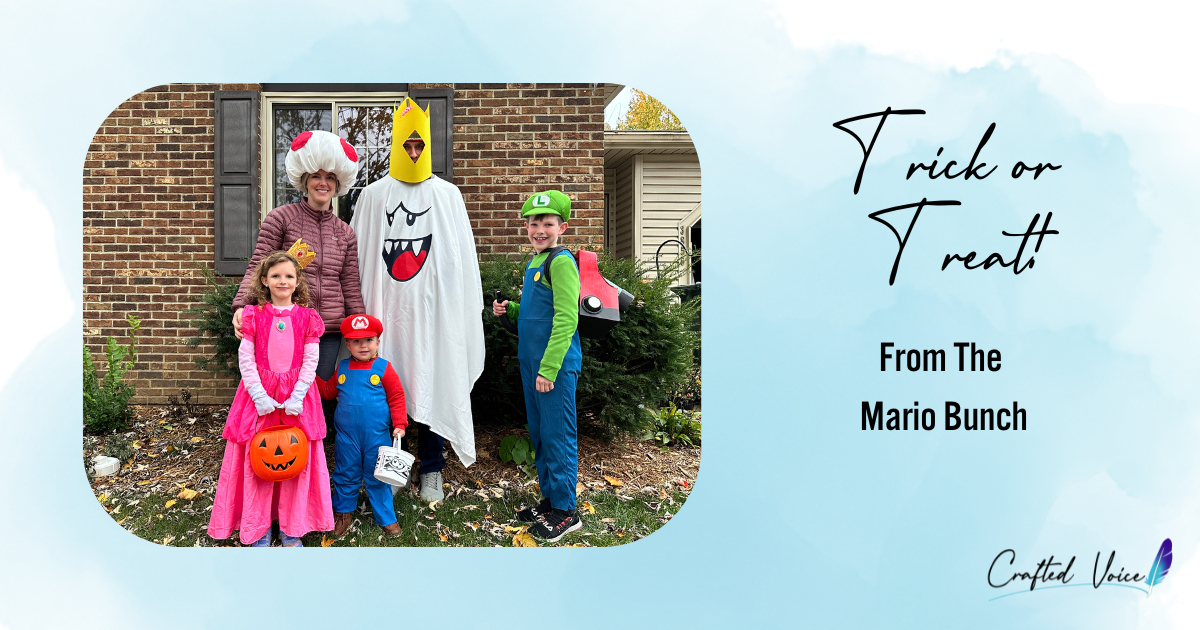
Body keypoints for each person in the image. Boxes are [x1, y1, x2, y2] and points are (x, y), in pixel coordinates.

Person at [351, 98, 484, 502]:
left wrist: (454, 311)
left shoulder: (448, 196)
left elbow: (460, 262)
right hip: (385, 314)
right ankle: (392, 471)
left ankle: (432, 470)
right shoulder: (373, 197)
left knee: (432, 382)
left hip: (432, 318)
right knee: (386, 392)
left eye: (419, 145)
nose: (412, 152)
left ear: (427, 146)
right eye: (405, 145)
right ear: (395, 146)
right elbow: (358, 258)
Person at [231, 129, 365, 442]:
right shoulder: (281, 218)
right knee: (276, 389)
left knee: (313, 396)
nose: (323, 183)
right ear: (304, 180)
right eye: (316, 176)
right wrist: (242, 306)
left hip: (325, 330)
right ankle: (274, 459)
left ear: (338, 184)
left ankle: (309, 462)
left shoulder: (345, 233)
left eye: (330, 177)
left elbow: (350, 283)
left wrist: (360, 327)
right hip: (281, 323)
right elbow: (259, 265)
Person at [208, 250, 334, 547]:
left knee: (294, 457)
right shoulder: (253, 316)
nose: (282, 281)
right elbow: (246, 360)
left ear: (297, 281)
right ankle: (258, 528)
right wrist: (259, 395)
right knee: (258, 460)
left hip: (296, 400)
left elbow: (310, 361)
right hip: (259, 400)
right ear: (264, 280)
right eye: (275, 275)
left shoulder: (308, 318)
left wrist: (298, 395)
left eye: (289, 276)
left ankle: (292, 528)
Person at [491, 190, 583, 542]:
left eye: (547, 223)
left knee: (558, 436)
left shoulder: (560, 261)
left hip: (553, 368)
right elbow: (534, 316)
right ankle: (550, 500)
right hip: (533, 365)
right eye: (534, 223)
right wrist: (509, 311)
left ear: (563, 226)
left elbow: (566, 318)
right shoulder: (535, 261)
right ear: (525, 226)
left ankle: (565, 510)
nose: (540, 229)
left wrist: (549, 369)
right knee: (541, 435)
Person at [314, 314, 407, 538]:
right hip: (347, 437)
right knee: (345, 474)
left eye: (368, 339)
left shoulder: (384, 368)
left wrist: (400, 423)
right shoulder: (343, 368)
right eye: (356, 341)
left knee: (377, 476)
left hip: (377, 437)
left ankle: (386, 517)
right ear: (347, 344)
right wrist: (309, 377)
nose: (362, 345)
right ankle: (343, 513)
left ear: (377, 342)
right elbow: (328, 391)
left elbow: (396, 396)